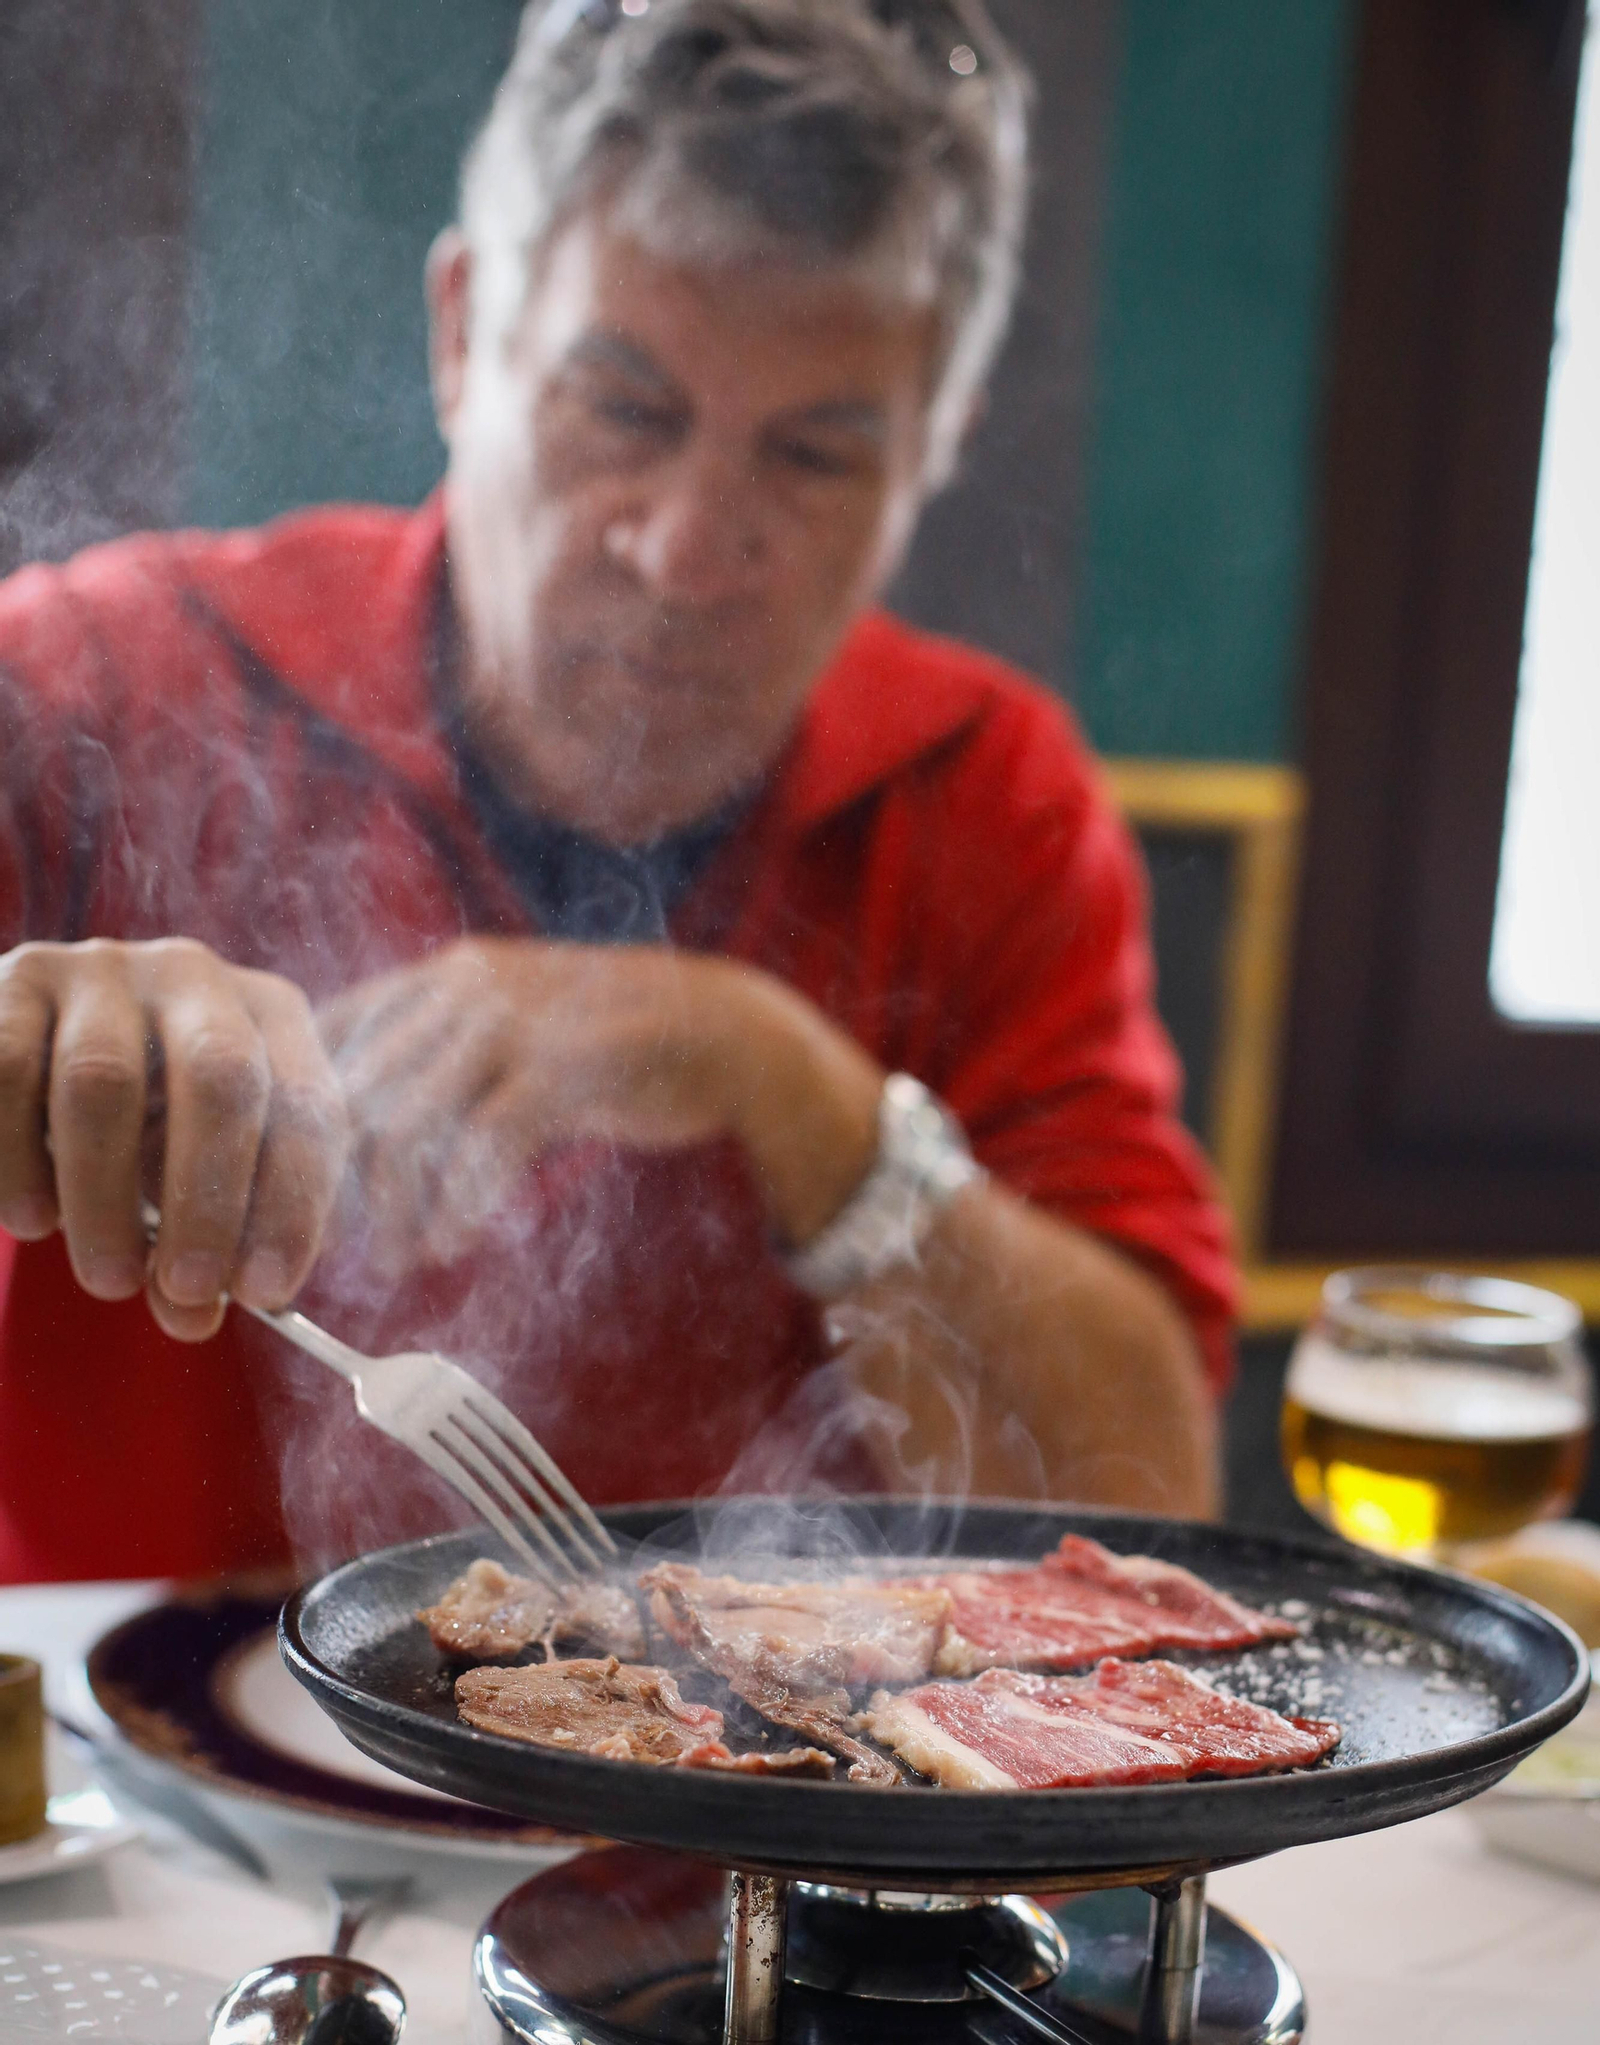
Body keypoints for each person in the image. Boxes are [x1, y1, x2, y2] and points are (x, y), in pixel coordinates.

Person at [0, 0, 1234, 1581]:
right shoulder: (112, 677)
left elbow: (1148, 1486)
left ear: (934, 449)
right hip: (137, 1796)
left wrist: (785, 1081)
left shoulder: (989, 796)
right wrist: (56, 1031)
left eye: (814, 458)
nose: (687, 549)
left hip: (752, 1814)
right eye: (625, 409)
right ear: (463, 333)